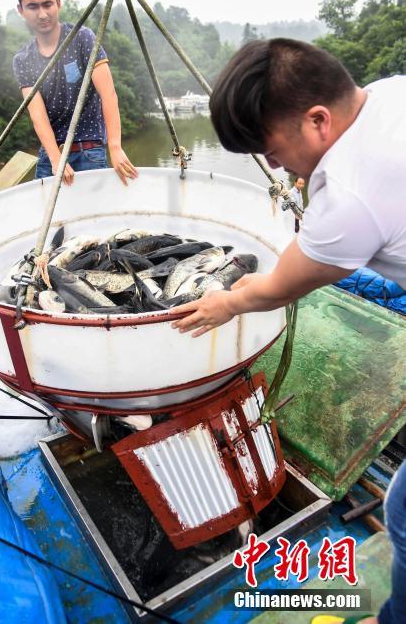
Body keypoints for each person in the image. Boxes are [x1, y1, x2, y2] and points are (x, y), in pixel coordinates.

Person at [172, 38, 406, 624]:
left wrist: (225, 303)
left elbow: (276, 286)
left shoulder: (350, 198)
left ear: (318, 120)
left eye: (274, 154)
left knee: (402, 511)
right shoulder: (389, 94)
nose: (279, 168)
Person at [13, 0, 138, 186]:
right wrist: (54, 158)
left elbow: (108, 94)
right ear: (21, 10)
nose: (42, 14)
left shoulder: (82, 39)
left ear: (58, 3)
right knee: (48, 218)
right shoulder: (23, 59)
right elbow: (37, 114)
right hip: (51, 157)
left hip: (88, 151)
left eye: (47, 4)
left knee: (94, 217)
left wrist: (115, 148)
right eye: (33, 6)